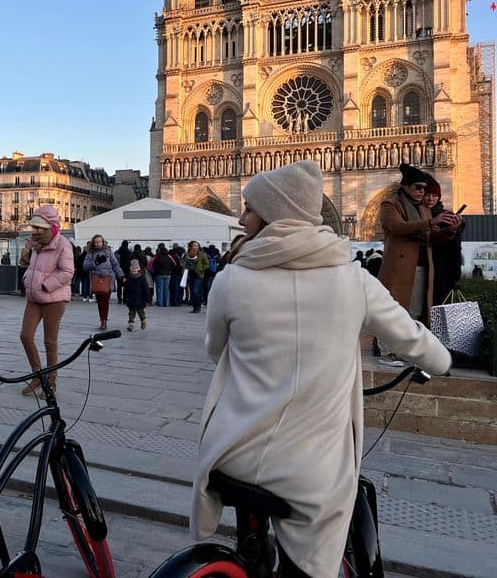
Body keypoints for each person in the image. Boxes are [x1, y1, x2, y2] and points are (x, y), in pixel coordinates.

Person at [191, 161, 451, 578]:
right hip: (310, 472)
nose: (240, 219)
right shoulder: (353, 279)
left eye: (249, 209)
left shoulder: (230, 280)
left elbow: (214, 351)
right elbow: (412, 339)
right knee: (312, 560)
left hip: (232, 452)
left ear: (275, 215)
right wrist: (443, 361)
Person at [377, 164, 459, 366]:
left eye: (424, 188)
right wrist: (430, 223)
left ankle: (404, 351)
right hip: (399, 267)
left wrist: (450, 230)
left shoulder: (423, 209)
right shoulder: (390, 205)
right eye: (418, 187)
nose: (422, 192)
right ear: (405, 186)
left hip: (422, 267)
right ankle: (386, 352)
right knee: (393, 311)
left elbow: (432, 237)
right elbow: (396, 227)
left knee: (413, 313)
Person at [19, 205, 74, 396]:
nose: (34, 231)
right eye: (33, 227)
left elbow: (67, 272)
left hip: (54, 299)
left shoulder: (62, 244)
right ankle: (37, 376)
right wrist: (27, 277)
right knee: (25, 336)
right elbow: (32, 267)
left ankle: (51, 382)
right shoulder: (35, 244)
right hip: (34, 298)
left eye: (38, 228)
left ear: (49, 227)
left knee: (50, 342)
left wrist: (46, 285)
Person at [423, 173, 465, 305]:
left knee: (437, 310)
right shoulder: (415, 214)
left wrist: (456, 276)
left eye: (434, 196)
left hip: (441, 271)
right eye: (427, 195)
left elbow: (455, 248)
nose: (430, 199)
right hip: (420, 270)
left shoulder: (447, 217)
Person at [83, 234, 124, 330]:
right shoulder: (90, 253)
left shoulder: (108, 252)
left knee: (105, 301)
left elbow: (115, 265)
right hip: (97, 279)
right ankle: (102, 318)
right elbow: (85, 267)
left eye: (100, 242)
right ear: (93, 243)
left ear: (103, 242)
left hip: (108, 278)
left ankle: (104, 321)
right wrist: (95, 263)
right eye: (96, 242)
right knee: (100, 301)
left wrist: (121, 275)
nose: (98, 244)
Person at [184, 241, 209, 313]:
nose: (196, 247)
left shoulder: (201, 254)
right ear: (190, 246)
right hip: (190, 274)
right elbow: (185, 263)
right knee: (192, 291)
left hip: (198, 275)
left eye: (197, 245)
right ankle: (195, 307)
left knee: (196, 290)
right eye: (194, 245)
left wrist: (201, 269)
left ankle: (198, 306)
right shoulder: (187, 254)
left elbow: (207, 264)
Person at [125, 260, 149, 331]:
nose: (134, 273)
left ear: (139, 270)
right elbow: (126, 289)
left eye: (135, 271)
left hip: (140, 299)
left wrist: (147, 299)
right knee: (131, 312)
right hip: (131, 298)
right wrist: (125, 297)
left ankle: (143, 321)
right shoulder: (129, 278)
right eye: (133, 271)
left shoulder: (142, 278)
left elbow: (146, 289)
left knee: (141, 312)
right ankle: (131, 324)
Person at [149, 243, 175, 307]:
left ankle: (159, 303)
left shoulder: (157, 257)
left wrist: (153, 271)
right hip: (168, 274)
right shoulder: (169, 257)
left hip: (159, 274)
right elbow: (174, 265)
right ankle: (166, 303)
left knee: (159, 289)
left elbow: (150, 265)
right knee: (166, 289)